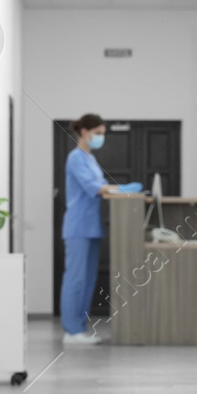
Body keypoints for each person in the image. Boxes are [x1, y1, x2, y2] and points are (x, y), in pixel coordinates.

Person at [60, 114, 141, 345]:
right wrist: (124, 188)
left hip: (93, 227)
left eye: (102, 134)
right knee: (75, 280)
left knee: (87, 280)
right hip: (77, 227)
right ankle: (71, 330)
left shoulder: (91, 159)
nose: (101, 138)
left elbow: (103, 186)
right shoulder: (75, 158)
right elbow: (94, 188)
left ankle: (80, 329)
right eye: (98, 133)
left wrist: (119, 190)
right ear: (84, 131)